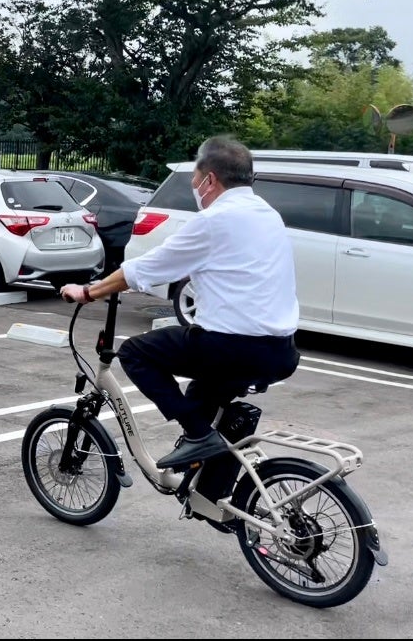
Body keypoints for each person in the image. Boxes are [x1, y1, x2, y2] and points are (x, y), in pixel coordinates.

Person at [60, 136, 300, 469]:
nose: (195, 188)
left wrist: (87, 292)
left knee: (135, 353)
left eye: (195, 181)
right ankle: (216, 494)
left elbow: (146, 268)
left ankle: (200, 436)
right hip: (282, 350)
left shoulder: (214, 220)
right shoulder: (268, 214)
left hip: (231, 346)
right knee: (200, 399)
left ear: (210, 180)